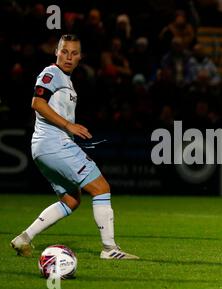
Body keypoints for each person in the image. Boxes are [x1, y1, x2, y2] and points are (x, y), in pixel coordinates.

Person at [10, 34, 138, 260]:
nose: (68, 57)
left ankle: (24, 238)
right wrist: (69, 125)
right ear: (56, 52)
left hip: (45, 147)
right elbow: (37, 103)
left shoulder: (66, 80)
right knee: (101, 188)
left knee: (71, 200)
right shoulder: (52, 73)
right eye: (64, 51)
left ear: (80, 57)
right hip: (53, 143)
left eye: (74, 53)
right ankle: (109, 249)